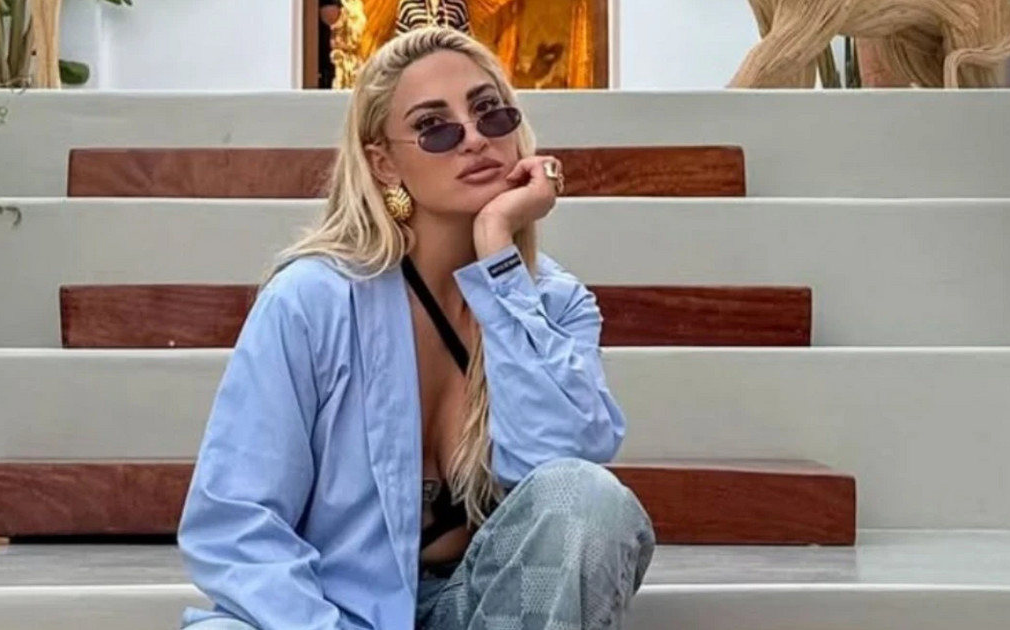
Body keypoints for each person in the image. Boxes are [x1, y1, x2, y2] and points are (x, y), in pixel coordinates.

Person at [177, 27, 655, 630]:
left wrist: (498, 256)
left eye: (490, 112)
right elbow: (236, 522)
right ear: (384, 163)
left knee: (591, 499)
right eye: (435, 126)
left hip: (494, 611)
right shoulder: (313, 301)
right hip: (331, 612)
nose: (474, 138)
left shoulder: (553, 303)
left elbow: (560, 474)